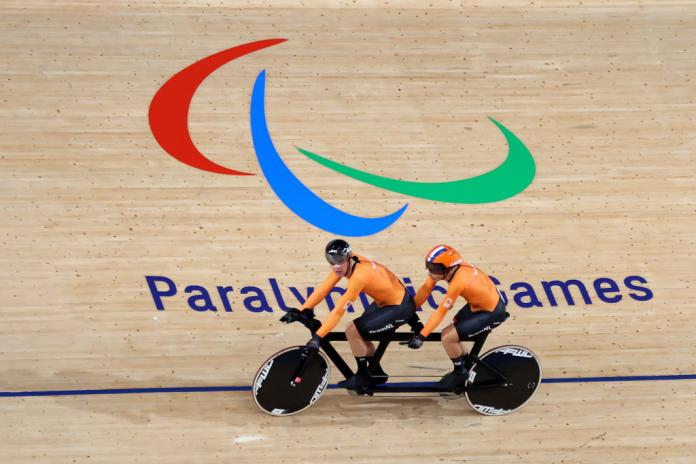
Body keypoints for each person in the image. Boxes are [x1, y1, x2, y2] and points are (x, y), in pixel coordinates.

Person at [282, 239, 418, 389]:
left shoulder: (359, 277)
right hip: (387, 301)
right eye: (332, 261)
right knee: (362, 334)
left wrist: (317, 338)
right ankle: (376, 372)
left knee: (352, 330)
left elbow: (339, 310)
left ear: (348, 257)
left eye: (340, 261)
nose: (336, 266)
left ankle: (362, 376)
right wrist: (303, 310)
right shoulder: (346, 263)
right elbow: (323, 289)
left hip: (399, 307)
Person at [406, 244, 508, 389]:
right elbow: (426, 288)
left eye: (434, 269)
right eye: (428, 266)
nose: (430, 272)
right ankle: (467, 364)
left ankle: (460, 372)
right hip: (479, 304)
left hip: (491, 312)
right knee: (454, 327)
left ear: (447, 268)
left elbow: (441, 311)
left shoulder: (458, 282)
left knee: (448, 337)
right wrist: (408, 310)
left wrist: (421, 336)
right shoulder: (447, 270)